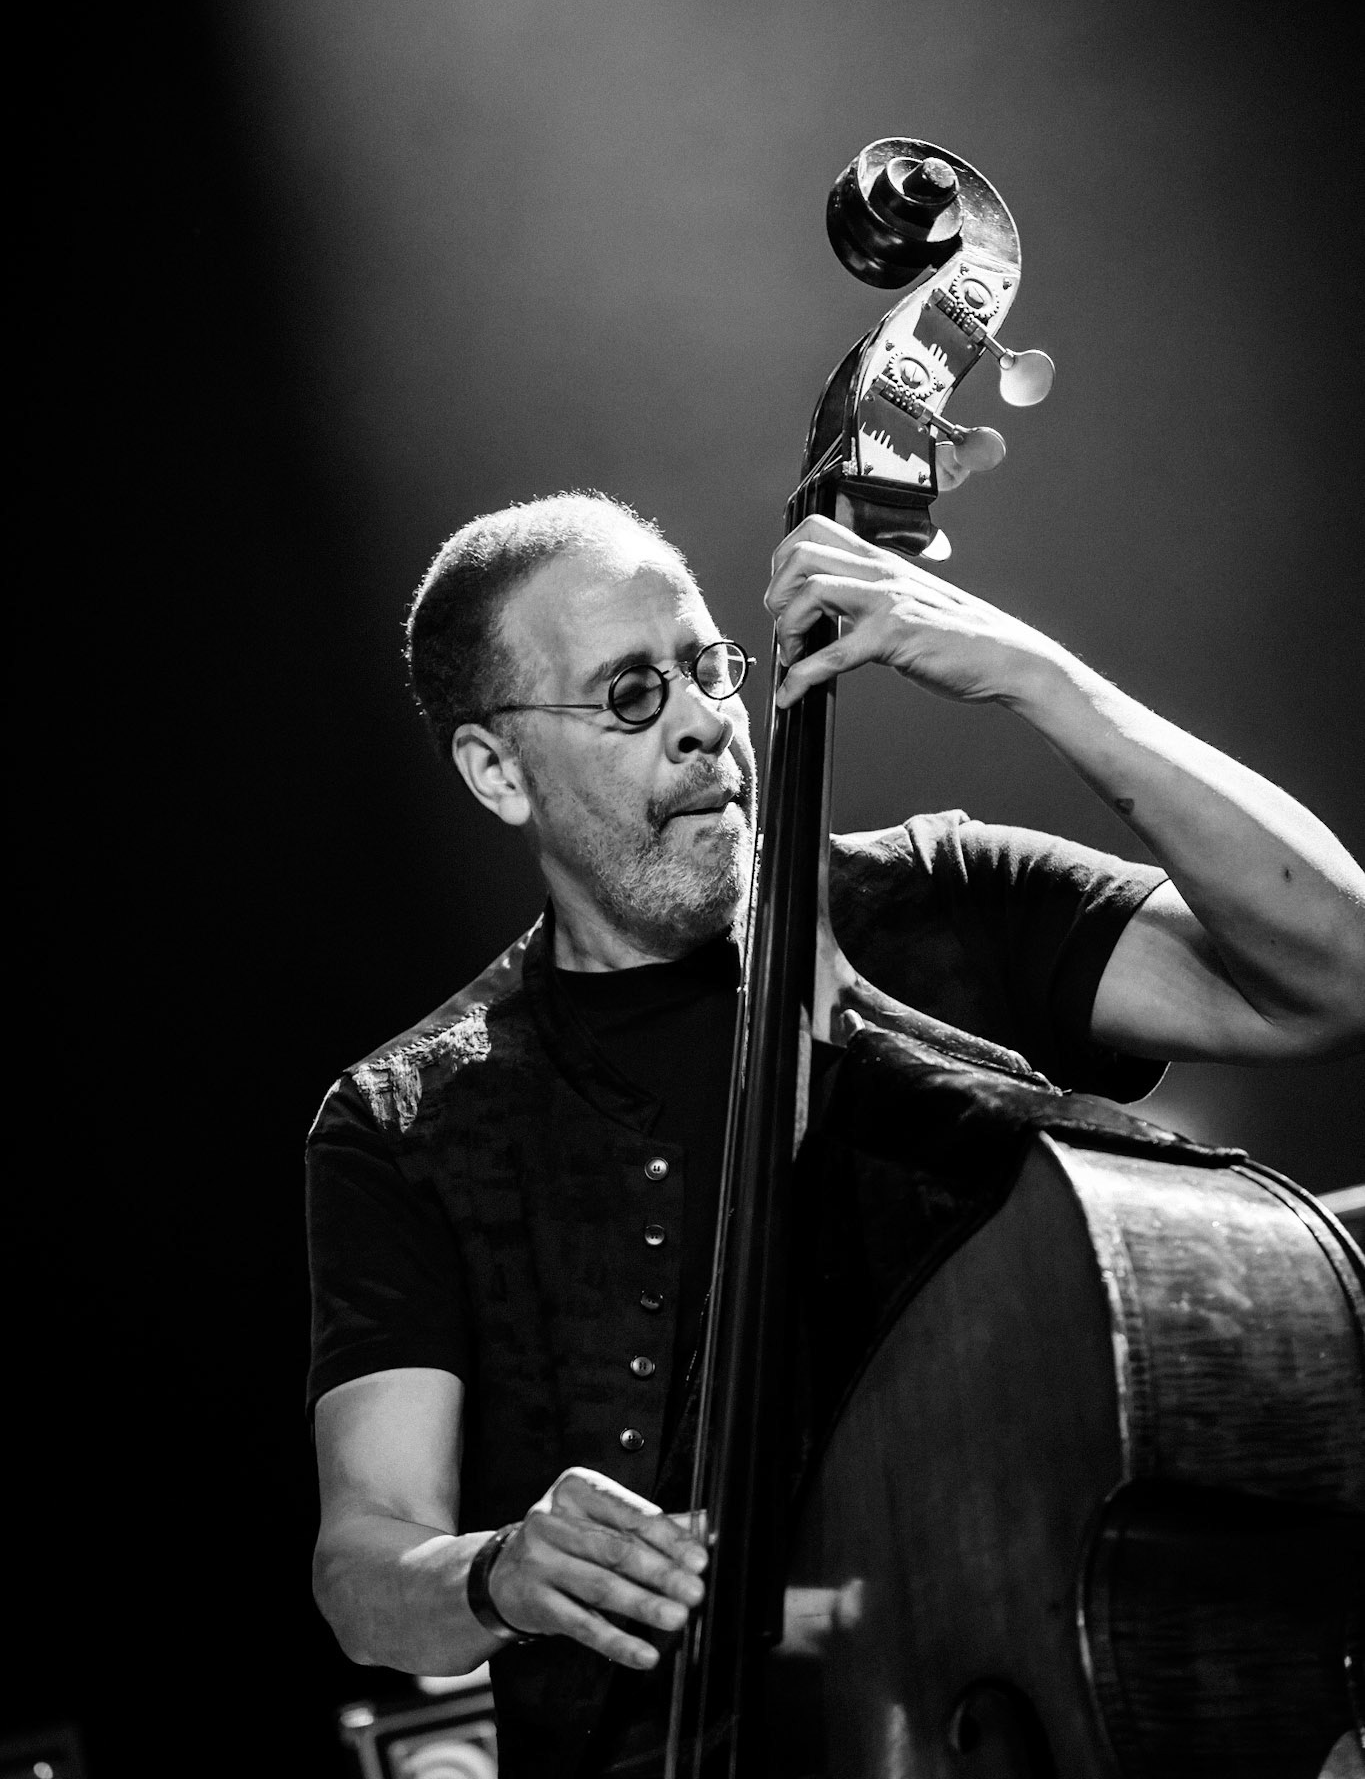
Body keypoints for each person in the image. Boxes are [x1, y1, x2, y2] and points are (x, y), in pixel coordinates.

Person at [307, 490, 1364, 1778]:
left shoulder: (942, 897)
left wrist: (1038, 679)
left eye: (707, 666)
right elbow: (366, 1563)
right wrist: (496, 1573)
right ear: (496, 769)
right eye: (631, 695)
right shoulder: (412, 1114)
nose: (705, 723)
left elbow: (1340, 975)